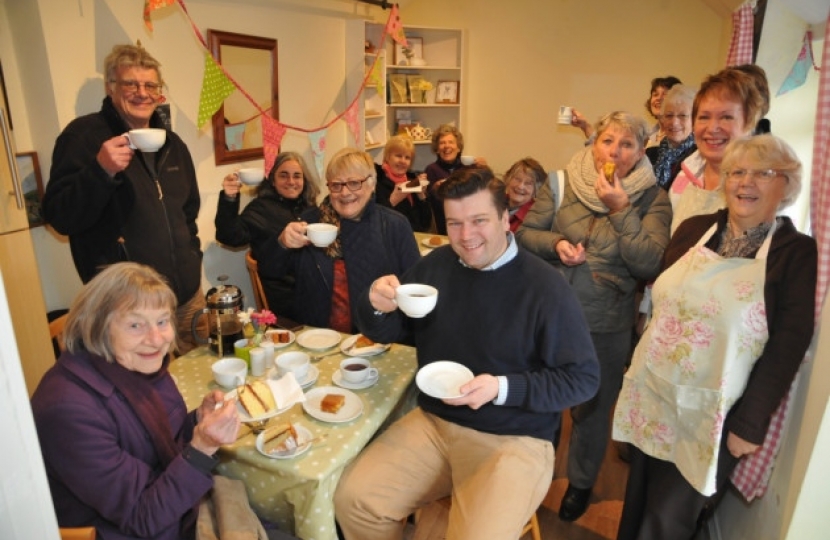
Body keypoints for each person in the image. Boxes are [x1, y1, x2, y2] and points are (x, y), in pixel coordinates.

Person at [334, 167, 600, 539]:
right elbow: (393, 330)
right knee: (356, 501)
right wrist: (375, 304)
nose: (466, 236)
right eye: (454, 223)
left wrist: (503, 387)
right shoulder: (435, 267)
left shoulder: (545, 287)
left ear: (506, 219)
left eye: (479, 221)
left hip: (515, 436)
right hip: (435, 423)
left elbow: (583, 379)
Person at [613, 134, 816, 540]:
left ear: (787, 186)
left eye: (763, 174)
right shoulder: (693, 230)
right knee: (637, 498)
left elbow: (788, 344)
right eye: (738, 172)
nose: (746, 182)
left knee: (668, 519)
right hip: (656, 393)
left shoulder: (795, 252)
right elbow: (663, 302)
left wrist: (751, 424)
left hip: (716, 417)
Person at [516, 111, 671, 522]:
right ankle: (533, 471)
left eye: (626, 145)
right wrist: (557, 243)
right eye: (608, 141)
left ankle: (581, 483)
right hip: (547, 314)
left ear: (640, 153)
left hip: (605, 321)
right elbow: (525, 234)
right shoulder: (560, 180)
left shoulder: (654, 198)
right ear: (595, 142)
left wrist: (621, 210)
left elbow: (649, 264)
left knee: (592, 407)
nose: (615, 152)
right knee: (538, 397)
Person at [31, 262, 241, 540]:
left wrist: (197, 423)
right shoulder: (67, 411)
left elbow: (162, 443)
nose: (156, 339)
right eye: (135, 325)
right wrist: (201, 449)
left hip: (177, 511)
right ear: (97, 327)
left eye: (162, 321)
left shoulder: (132, 365)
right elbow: (142, 518)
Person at [42, 44, 205, 353]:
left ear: (159, 93)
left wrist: (192, 259)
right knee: (146, 396)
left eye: (150, 85)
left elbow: (188, 213)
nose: (141, 92)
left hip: (186, 298)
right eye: (131, 83)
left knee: (198, 381)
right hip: (129, 308)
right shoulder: (83, 137)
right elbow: (60, 217)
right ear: (111, 88)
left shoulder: (173, 144)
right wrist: (100, 171)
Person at [257, 148, 420, 333]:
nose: (344, 192)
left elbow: (414, 290)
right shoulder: (310, 223)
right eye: (336, 185)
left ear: (372, 184)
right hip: (317, 338)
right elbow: (270, 270)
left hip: (378, 338)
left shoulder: (394, 226)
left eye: (354, 183)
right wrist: (282, 243)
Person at [214, 151, 319, 317]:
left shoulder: (311, 208)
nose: (291, 181)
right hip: (285, 297)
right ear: (272, 180)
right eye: (283, 175)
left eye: (297, 176)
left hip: (313, 288)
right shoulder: (261, 209)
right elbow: (229, 236)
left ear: (304, 180)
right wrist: (229, 198)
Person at [669, 67, 765, 234]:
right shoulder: (684, 176)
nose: (712, 128)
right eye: (704, 117)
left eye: (726, 117)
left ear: (749, 124)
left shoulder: (762, 187)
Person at [569, 76, 682, 146]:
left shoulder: (681, 135)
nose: (658, 98)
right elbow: (609, 150)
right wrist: (585, 126)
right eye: (655, 94)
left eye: (665, 94)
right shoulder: (648, 136)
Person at [424, 124, 485, 234]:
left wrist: (484, 169)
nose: (446, 146)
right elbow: (428, 203)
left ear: (458, 147)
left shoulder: (469, 167)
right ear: (437, 149)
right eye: (442, 143)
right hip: (445, 224)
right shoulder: (431, 169)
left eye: (451, 142)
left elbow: (483, 191)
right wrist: (435, 189)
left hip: (471, 223)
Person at [373, 135, 433, 232]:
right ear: (387, 157)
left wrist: (421, 196)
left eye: (407, 157)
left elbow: (426, 223)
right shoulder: (377, 183)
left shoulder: (411, 181)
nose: (403, 161)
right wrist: (392, 201)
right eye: (398, 156)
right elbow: (376, 223)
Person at [645, 84, 697, 191]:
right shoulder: (649, 155)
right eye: (669, 116)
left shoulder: (699, 157)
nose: (674, 122)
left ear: (694, 119)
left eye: (682, 116)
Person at [504, 157, 547, 232]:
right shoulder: (495, 201)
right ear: (508, 179)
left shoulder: (534, 217)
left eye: (528, 183)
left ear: (536, 190)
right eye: (517, 179)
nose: (520, 186)